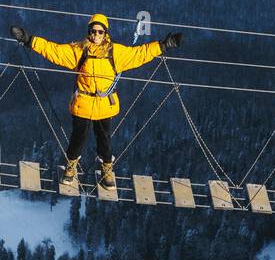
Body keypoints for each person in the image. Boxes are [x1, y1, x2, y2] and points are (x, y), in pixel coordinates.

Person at [10, 13, 182, 188]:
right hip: (84, 101)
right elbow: (53, 50)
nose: (96, 35)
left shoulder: (116, 52)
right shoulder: (79, 50)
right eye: (93, 31)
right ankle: (71, 167)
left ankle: (107, 168)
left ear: (105, 33)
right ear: (89, 32)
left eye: (100, 32)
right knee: (78, 138)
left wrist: (164, 45)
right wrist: (29, 39)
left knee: (104, 139)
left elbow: (140, 53)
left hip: (104, 103)